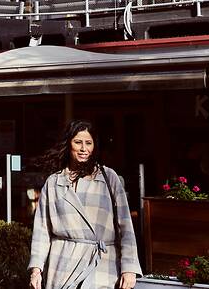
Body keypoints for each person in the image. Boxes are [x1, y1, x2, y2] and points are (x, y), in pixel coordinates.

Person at [28, 120, 142, 289]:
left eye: (88, 143)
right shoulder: (54, 182)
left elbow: (125, 226)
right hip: (63, 266)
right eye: (78, 142)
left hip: (103, 265)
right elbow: (42, 231)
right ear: (68, 144)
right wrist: (36, 269)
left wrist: (129, 269)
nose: (83, 148)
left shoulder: (109, 177)